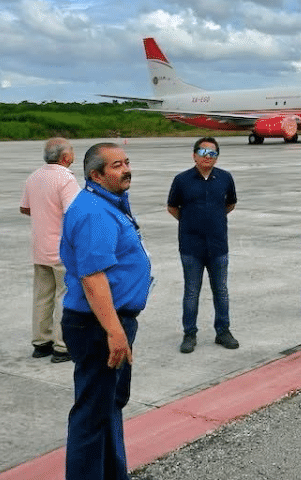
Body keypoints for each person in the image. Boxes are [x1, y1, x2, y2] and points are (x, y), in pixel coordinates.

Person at [59, 142, 153, 480]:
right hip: (97, 325)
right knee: (92, 415)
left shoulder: (108, 203)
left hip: (110, 321)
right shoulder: (94, 213)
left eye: (126, 162)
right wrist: (115, 332)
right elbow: (93, 278)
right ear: (96, 175)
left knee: (109, 407)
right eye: (117, 165)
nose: (127, 169)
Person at [167, 137, 239, 354]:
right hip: (191, 247)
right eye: (203, 152)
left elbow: (230, 203)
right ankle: (189, 333)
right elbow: (172, 207)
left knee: (221, 291)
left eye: (213, 153)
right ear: (194, 155)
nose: (208, 157)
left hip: (218, 246)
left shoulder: (225, 178)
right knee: (191, 292)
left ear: (217, 157)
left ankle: (223, 331)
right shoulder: (182, 180)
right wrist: (191, 222)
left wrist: (213, 219)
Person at [19, 137, 80, 363]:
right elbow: (74, 212)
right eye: (72, 150)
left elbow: (25, 208)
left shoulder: (34, 176)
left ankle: (41, 342)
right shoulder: (66, 178)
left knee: (42, 296)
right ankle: (62, 346)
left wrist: (44, 213)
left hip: (40, 248)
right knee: (65, 296)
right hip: (61, 249)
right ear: (65, 157)